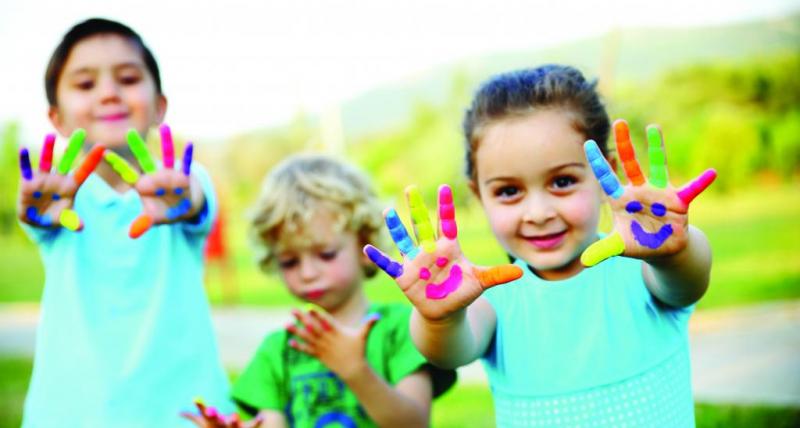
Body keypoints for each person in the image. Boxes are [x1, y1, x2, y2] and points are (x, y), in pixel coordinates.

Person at [365, 64, 716, 427]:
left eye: (562, 182)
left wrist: (676, 251)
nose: (538, 213)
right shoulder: (493, 302)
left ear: (605, 175)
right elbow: (449, 351)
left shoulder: (644, 273)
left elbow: (688, 279)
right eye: (509, 191)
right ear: (479, 195)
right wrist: (439, 316)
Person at [17, 18, 230, 427]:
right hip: (71, 414)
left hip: (185, 414)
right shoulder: (53, 198)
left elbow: (194, 201)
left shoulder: (184, 183)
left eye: (128, 79)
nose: (109, 93)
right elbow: (36, 214)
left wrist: (184, 200)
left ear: (160, 106)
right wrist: (36, 211)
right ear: (56, 118)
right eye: (85, 84)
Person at [186, 154, 455, 428]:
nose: (307, 273)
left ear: (363, 243)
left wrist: (356, 372)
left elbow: (414, 423)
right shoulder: (278, 350)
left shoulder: (402, 329)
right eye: (289, 261)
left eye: (326, 254)